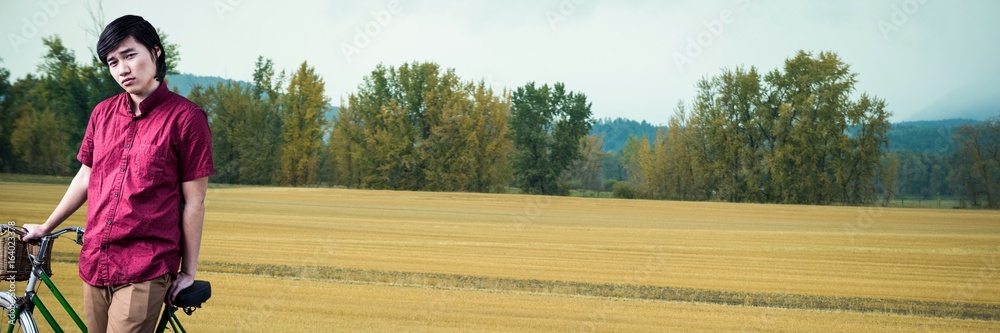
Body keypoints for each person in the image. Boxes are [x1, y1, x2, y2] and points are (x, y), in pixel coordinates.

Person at [22, 15, 214, 332]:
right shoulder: (102, 113)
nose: (122, 69)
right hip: (96, 260)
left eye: (129, 55)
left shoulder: (186, 119)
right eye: (112, 62)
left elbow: (195, 201)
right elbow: (85, 177)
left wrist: (188, 271)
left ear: (155, 52)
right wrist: (46, 226)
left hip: (147, 263)